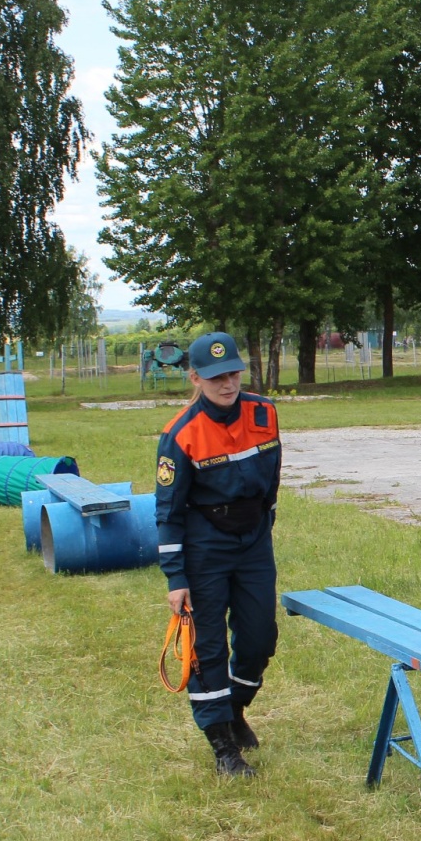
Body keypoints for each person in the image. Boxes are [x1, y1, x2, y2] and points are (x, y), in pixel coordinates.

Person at [155, 332, 280, 777]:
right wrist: (176, 577)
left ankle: (236, 707)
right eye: (215, 378)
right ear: (195, 377)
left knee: (259, 637)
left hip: (254, 542)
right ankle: (222, 744)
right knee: (208, 647)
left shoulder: (264, 413)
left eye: (233, 374)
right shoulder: (180, 435)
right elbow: (168, 513)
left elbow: (273, 473)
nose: (227, 384)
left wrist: (267, 523)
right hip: (205, 545)